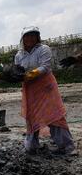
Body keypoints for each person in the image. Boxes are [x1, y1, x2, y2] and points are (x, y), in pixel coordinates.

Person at [14, 26, 75, 155]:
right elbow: (18, 70)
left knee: (54, 114)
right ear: (22, 38)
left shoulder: (43, 49)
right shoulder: (19, 55)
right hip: (30, 88)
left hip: (46, 86)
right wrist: (11, 75)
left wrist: (33, 73)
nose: (30, 38)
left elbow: (45, 66)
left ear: (37, 37)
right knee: (32, 115)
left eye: (33, 35)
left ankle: (66, 146)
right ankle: (31, 146)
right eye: (27, 36)